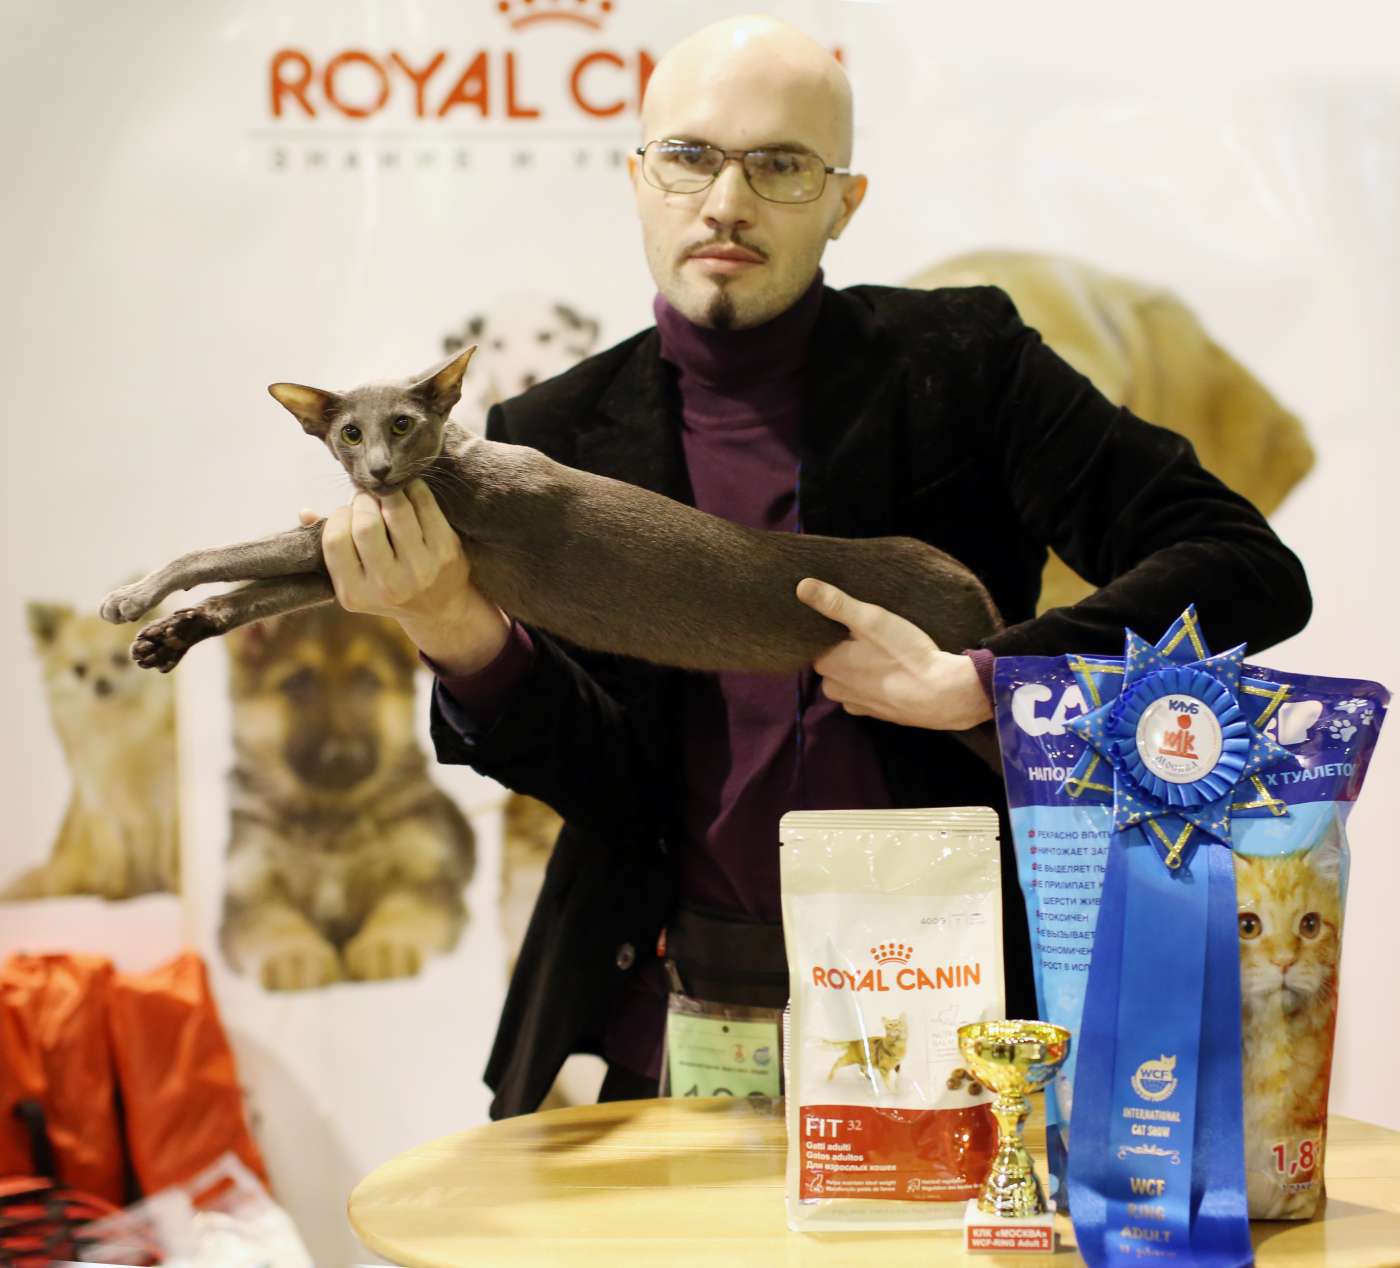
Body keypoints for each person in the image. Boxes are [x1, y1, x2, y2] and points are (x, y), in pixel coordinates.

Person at [308, 15, 1311, 1116]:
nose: (725, 202)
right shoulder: (549, 434)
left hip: (966, 1021)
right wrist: (456, 631)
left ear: (844, 201)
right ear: (638, 180)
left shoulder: (965, 365)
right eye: (688, 157)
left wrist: (985, 681)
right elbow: (608, 788)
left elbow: (1243, 565)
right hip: (672, 1024)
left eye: (780, 165)